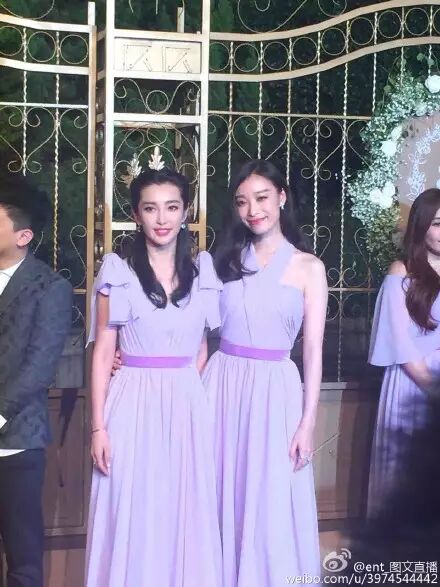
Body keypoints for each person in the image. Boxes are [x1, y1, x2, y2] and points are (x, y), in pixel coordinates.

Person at [85, 164, 222, 587]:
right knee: (133, 505)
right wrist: (98, 428)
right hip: (131, 402)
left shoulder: (202, 272)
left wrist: (186, 393)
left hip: (187, 403)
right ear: (136, 214)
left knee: (184, 508)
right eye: (150, 208)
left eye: (171, 207)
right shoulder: (118, 272)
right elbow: (102, 353)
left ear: (186, 212)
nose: (162, 218)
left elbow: (201, 349)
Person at [204, 159, 327, 585]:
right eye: (242, 202)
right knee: (220, 490)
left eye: (261, 198)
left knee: (271, 494)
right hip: (221, 384)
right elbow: (192, 329)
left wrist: (308, 422)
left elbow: (313, 350)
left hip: (277, 389)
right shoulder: (222, 261)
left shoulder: (309, 267)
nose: (253, 210)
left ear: (282, 197)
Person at [0, 176, 73, 587]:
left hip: (17, 441)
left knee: (23, 559)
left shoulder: (50, 288)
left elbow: (39, 367)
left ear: (23, 235)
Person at [368, 188, 440, 517]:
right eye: (437, 224)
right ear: (421, 227)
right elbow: (397, 338)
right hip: (412, 384)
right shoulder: (402, 271)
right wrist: (432, 387)